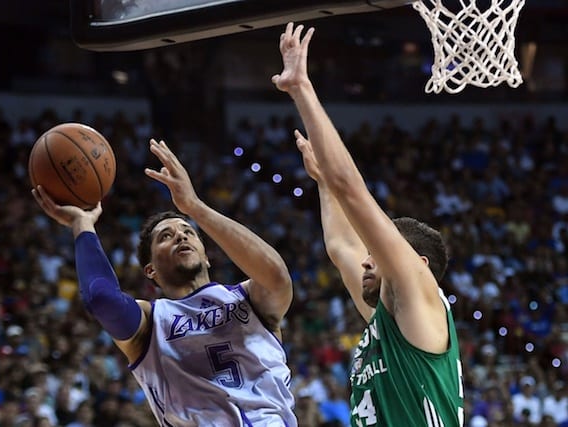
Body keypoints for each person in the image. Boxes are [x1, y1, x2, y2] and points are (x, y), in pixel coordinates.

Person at [272, 22, 464, 426]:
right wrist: (323, 184)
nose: (365, 261)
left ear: (416, 263)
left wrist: (300, 88)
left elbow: (352, 190)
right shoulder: (392, 323)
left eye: (375, 254)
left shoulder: (419, 296)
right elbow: (341, 248)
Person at [31, 138, 295, 426]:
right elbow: (101, 299)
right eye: (165, 236)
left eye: (188, 231)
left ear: (207, 257)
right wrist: (82, 224)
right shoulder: (151, 322)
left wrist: (194, 207)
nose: (181, 235)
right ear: (150, 270)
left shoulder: (249, 298)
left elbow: (278, 277)